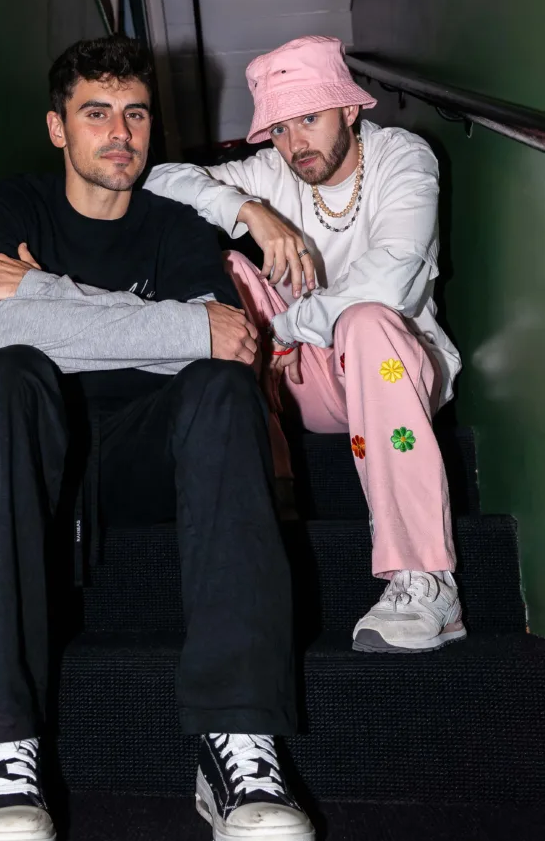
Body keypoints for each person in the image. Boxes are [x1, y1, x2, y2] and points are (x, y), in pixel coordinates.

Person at [0, 34, 316, 841]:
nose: (121, 132)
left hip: (158, 458)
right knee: (1, 381)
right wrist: (173, 326)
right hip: (38, 460)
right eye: (96, 113)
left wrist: (44, 294)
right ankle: (2, 759)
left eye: (136, 113)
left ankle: (240, 744)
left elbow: (228, 349)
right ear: (56, 128)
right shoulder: (7, 210)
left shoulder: (177, 227)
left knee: (222, 392)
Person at [145, 35, 465, 656]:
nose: (296, 145)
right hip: (302, 378)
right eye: (282, 129)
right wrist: (248, 211)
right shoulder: (271, 173)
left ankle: (426, 578)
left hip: (394, 366)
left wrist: (283, 327)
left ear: (350, 109)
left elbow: (392, 278)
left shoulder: (405, 158)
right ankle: (267, 478)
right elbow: (159, 182)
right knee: (226, 269)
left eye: (309, 120)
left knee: (367, 321)